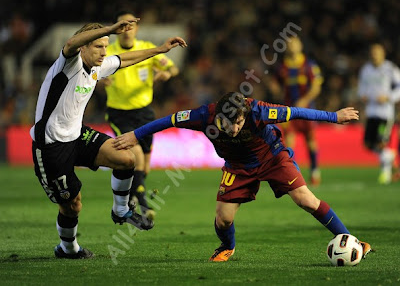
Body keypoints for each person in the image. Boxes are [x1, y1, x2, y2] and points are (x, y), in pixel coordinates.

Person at [113, 91, 372, 262]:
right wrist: (135, 135)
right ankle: (227, 246)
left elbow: (297, 112)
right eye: (230, 124)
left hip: (273, 157)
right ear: (219, 118)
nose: (235, 128)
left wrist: (333, 116)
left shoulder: (259, 111)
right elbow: (168, 120)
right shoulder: (204, 116)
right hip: (237, 166)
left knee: (305, 199)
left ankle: (353, 240)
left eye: (239, 122)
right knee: (223, 219)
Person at [30, 19, 187, 259]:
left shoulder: (97, 67)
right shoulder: (67, 64)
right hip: (51, 146)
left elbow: (125, 59)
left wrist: (160, 49)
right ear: (84, 48)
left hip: (76, 135)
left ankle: (121, 211)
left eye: (106, 46)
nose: (104, 52)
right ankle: (68, 249)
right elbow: (71, 41)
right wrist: (112, 29)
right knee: (72, 205)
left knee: (126, 158)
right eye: (98, 47)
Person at [102, 10, 180, 220]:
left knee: (144, 164)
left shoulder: (147, 49)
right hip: (119, 112)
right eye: (123, 26)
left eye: (131, 26)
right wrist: (99, 80)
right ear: (116, 29)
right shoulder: (107, 53)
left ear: (137, 29)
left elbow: (173, 68)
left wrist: (166, 73)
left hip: (144, 111)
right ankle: (144, 204)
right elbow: (89, 73)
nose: (127, 31)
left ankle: (132, 196)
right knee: (134, 152)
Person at [269, 36, 323, 186]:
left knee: (311, 140)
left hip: (307, 111)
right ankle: (292, 174)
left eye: (294, 43)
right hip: (289, 112)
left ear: (300, 45)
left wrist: (305, 100)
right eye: (289, 43)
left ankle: (314, 170)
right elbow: (275, 83)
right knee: (289, 142)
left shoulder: (309, 65)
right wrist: (274, 88)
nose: (291, 46)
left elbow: (316, 87)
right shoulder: (282, 67)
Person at [358, 43, 400, 184]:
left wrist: (389, 97)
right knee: (368, 144)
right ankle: (389, 157)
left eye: (377, 52)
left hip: (385, 113)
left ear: (383, 54)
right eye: (372, 52)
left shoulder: (390, 69)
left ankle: (385, 174)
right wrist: (363, 95)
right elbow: (362, 87)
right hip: (371, 111)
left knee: (382, 143)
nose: (374, 55)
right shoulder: (366, 70)